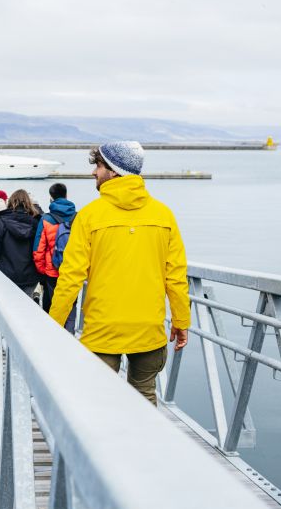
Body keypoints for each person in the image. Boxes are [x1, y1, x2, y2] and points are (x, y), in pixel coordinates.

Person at [48, 141, 190, 405]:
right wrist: (181, 321)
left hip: (103, 331)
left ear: (114, 171)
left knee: (100, 403)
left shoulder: (89, 216)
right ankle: (142, 446)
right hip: (149, 330)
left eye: (98, 166)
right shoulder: (164, 215)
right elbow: (176, 277)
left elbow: (70, 278)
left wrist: (53, 325)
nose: (93, 172)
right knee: (144, 397)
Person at [32, 183, 77, 325]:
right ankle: (69, 337)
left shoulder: (46, 219)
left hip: (52, 272)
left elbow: (38, 250)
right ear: (66, 195)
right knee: (70, 308)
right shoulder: (77, 217)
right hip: (72, 271)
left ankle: (52, 340)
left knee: (52, 308)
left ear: (51, 198)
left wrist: (42, 271)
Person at [0, 189, 40, 296]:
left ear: (10, 202)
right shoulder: (36, 223)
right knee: (26, 307)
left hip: (6, 274)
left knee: (6, 308)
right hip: (30, 276)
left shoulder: (1, 221)